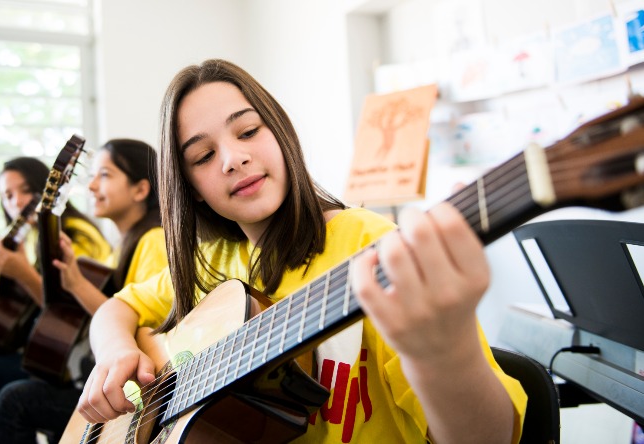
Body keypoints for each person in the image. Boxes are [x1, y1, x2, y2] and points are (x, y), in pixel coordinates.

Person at [76, 59, 528, 443]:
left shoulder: (367, 243)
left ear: (280, 132)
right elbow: (116, 308)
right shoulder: (210, 262)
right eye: (203, 157)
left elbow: (493, 436)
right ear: (190, 189)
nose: (233, 158)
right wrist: (116, 351)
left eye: (248, 130)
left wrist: (444, 352)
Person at [0, 139, 168, 444]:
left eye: (105, 175)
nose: (91, 187)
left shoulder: (153, 240)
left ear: (140, 190)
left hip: (139, 390)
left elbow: (147, 331)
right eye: (92, 176)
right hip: (107, 377)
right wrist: (73, 281)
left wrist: (75, 284)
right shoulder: (123, 246)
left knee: (15, 398)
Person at [0, 156, 112, 444]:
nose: (17, 201)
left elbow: (71, 316)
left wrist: (21, 273)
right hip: (48, 349)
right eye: (8, 195)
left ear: (47, 189)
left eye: (25, 190)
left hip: (73, 360)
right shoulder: (36, 237)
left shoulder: (75, 234)